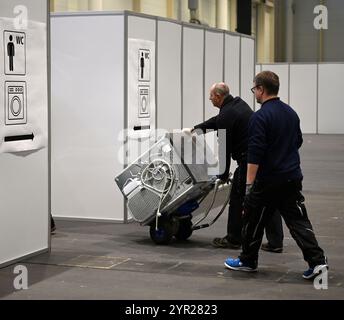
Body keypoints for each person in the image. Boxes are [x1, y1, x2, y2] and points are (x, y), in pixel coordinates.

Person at [224, 71, 328, 279]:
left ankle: (247, 260)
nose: (254, 93)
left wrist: (248, 186)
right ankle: (317, 263)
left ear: (261, 89)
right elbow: (297, 141)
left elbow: (255, 154)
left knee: (253, 220)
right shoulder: (291, 113)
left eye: (254, 89)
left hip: (267, 181)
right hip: (291, 177)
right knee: (299, 222)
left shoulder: (260, 117)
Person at [183, 83, 283, 250]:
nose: (209, 99)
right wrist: (196, 129)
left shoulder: (227, 114)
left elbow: (224, 149)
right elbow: (217, 121)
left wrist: (222, 175)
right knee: (268, 198)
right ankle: (276, 242)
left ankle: (234, 238)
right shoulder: (237, 104)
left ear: (219, 96)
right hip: (264, 159)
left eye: (211, 96)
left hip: (249, 161)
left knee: (237, 198)